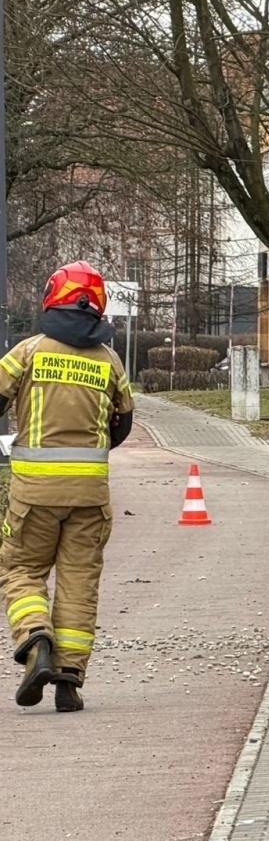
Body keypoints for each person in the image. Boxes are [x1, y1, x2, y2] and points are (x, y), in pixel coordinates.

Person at [0, 262, 135, 711]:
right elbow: (122, 425)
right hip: (90, 497)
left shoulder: (28, 352)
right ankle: (69, 681)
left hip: (33, 496)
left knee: (20, 569)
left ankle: (35, 637)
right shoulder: (110, 361)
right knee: (79, 581)